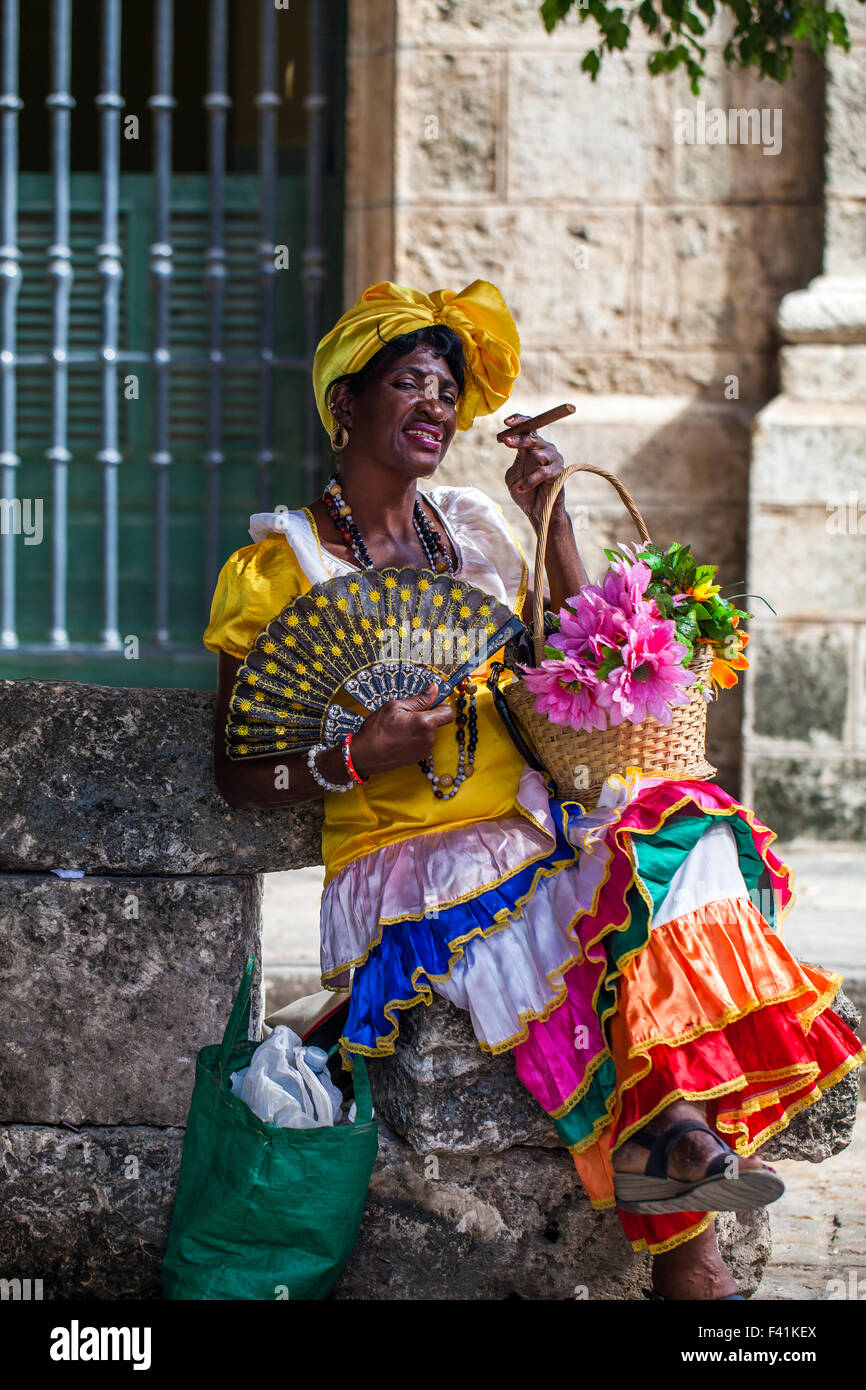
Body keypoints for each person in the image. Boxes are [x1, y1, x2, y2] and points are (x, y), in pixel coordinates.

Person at [204, 278, 865, 1301]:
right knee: (589, 930)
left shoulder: (472, 528)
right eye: (408, 383)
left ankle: (681, 1157)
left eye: (445, 388)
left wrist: (545, 519)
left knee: (685, 837)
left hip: (533, 825)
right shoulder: (280, 564)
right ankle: (692, 1245)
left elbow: (575, 663)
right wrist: (356, 752)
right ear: (346, 403)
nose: (435, 405)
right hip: (406, 867)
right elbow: (238, 771)